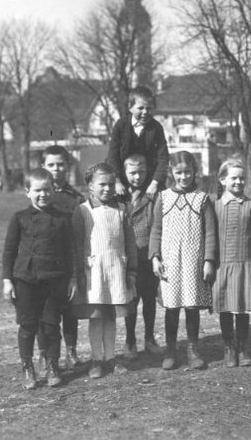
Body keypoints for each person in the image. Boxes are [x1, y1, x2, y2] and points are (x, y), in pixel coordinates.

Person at [1, 167, 73, 390]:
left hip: (54, 280)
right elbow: (9, 251)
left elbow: (69, 252)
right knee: (27, 326)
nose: (43, 195)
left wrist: (72, 280)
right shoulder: (19, 218)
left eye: (48, 189)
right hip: (26, 280)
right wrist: (7, 280)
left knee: (52, 326)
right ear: (27, 191)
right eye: (38, 190)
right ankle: (27, 367)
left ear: (54, 190)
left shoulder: (62, 218)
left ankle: (52, 365)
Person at [149, 150, 217, 370]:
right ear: (171, 172)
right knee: (171, 307)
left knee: (191, 306)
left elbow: (210, 232)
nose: (184, 177)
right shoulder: (163, 197)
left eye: (188, 172)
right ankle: (170, 350)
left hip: (192, 260)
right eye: (179, 173)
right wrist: (155, 257)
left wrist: (208, 260)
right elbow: (156, 230)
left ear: (194, 172)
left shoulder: (202, 198)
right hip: (170, 261)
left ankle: (192, 349)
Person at [70, 162, 137, 379]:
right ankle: (96, 358)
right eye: (102, 184)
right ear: (89, 185)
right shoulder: (82, 211)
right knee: (96, 317)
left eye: (111, 184)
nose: (107, 189)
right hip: (94, 273)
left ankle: (111, 357)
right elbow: (76, 244)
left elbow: (130, 243)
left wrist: (132, 271)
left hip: (117, 270)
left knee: (111, 317)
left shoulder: (122, 210)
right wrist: (79, 273)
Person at [213, 157, 251, 367]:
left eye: (242, 178)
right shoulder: (215, 207)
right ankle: (228, 347)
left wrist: (250, 255)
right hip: (222, 266)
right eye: (233, 178)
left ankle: (242, 347)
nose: (238, 182)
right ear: (222, 180)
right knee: (225, 307)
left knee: (242, 307)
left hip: (245, 264)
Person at [36, 145, 84, 374]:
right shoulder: (39, 193)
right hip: (43, 265)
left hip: (67, 262)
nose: (56, 169)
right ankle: (44, 353)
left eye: (61, 164)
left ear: (68, 165)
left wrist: (76, 271)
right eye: (51, 165)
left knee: (69, 310)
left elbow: (79, 235)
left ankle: (71, 350)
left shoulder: (76, 198)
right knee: (44, 313)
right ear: (43, 167)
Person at [120, 153, 160, 358]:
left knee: (149, 300)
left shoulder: (152, 196)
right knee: (131, 301)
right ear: (125, 173)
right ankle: (130, 340)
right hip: (128, 259)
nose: (137, 177)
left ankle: (149, 338)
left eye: (141, 172)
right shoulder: (120, 197)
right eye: (133, 173)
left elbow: (157, 226)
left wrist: (156, 254)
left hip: (147, 256)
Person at [108, 86, 170, 200]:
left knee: (158, 204)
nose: (145, 112)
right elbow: (113, 156)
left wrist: (155, 183)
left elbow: (163, 158)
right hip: (123, 180)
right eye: (140, 108)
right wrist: (117, 181)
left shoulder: (156, 128)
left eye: (149, 108)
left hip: (149, 180)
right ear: (130, 107)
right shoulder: (121, 126)